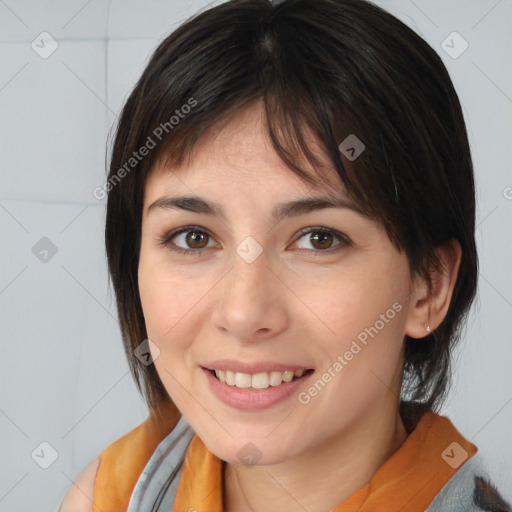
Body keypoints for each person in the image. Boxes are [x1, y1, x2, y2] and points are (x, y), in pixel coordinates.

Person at [58, 0, 511, 510]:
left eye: (319, 238)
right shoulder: (112, 495)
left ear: (428, 285)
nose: (244, 313)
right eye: (193, 238)